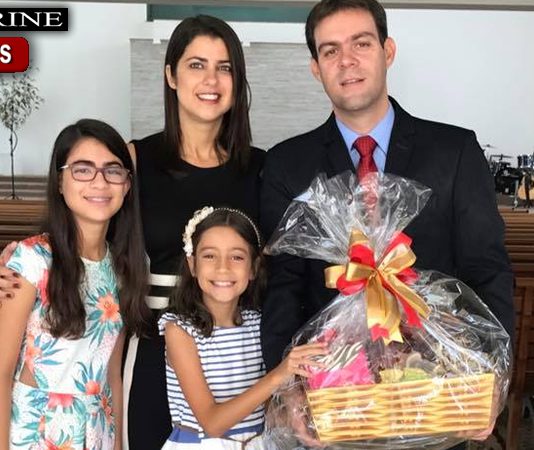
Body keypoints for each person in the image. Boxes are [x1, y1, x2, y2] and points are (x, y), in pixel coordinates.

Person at [0, 15, 264, 450]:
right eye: (196, 65)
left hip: (234, 352)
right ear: (171, 75)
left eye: (225, 67)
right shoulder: (135, 159)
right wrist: (19, 264)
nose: (211, 80)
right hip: (154, 346)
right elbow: (87, 229)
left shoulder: (260, 167)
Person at [260, 3, 514, 445]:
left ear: (388, 51)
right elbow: (282, 287)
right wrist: (289, 392)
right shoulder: (287, 164)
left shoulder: (454, 151)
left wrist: (491, 380)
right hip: (334, 403)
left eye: (361, 44)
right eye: (330, 51)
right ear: (316, 68)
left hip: (439, 397)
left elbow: (487, 270)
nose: (347, 61)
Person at [0, 119, 149, 450]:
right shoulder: (32, 259)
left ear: (127, 185)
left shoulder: (124, 268)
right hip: (36, 431)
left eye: (113, 170)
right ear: (59, 181)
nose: (99, 182)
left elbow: (112, 375)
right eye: (83, 170)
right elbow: (2, 370)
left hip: (97, 431)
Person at [159, 207, 326, 449]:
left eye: (237, 257)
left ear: (254, 268)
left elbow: (262, 409)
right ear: (192, 264)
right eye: (209, 256)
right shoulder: (180, 331)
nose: (223, 268)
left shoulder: (258, 323)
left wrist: (301, 418)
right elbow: (213, 423)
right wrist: (279, 374)